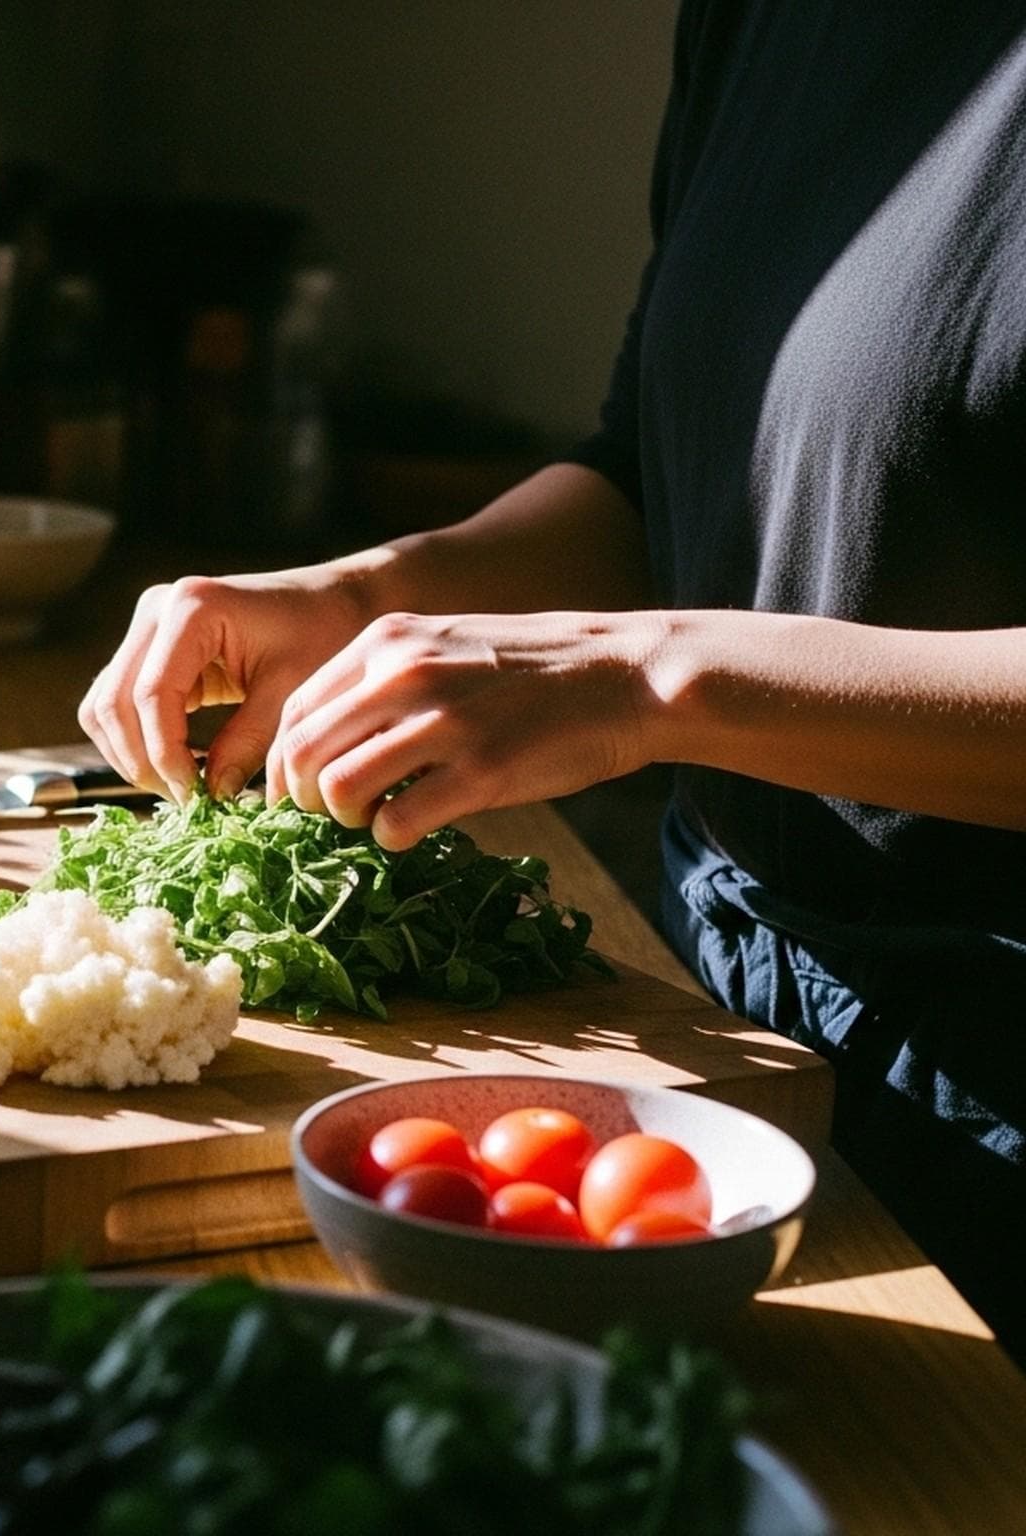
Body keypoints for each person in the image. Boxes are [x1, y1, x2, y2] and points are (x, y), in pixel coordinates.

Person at [80, 0, 1026, 1354]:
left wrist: (648, 677)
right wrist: (356, 596)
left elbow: (657, 636)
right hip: (718, 1021)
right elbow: (652, 478)